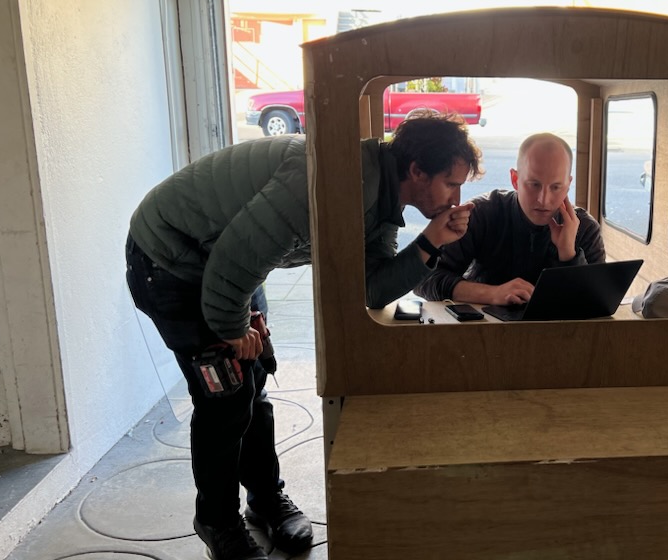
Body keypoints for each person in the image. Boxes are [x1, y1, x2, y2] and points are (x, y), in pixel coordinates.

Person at [125, 114, 482, 560]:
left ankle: (266, 499)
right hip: (171, 261)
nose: (457, 197)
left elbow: (370, 288)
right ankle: (216, 521)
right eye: (451, 184)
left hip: (225, 259)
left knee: (253, 383)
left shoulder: (380, 194)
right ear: (416, 171)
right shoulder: (331, 181)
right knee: (227, 396)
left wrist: (432, 240)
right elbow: (229, 269)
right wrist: (233, 328)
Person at [415, 132, 604, 306]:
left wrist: (568, 255)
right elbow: (422, 280)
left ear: (568, 184)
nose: (543, 200)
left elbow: (598, 303)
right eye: (534, 185)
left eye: (556, 187)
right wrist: (492, 294)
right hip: (483, 335)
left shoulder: (586, 228)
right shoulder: (482, 214)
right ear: (515, 179)